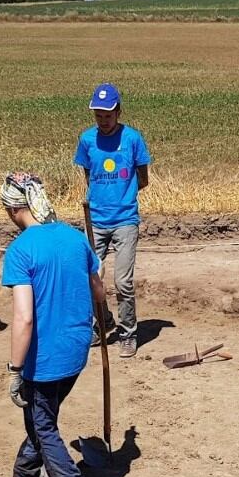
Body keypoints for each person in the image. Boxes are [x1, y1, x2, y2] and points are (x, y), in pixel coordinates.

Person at [0, 172, 102, 477]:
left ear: (14, 209)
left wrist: (14, 369)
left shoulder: (21, 250)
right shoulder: (75, 239)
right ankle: (24, 474)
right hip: (76, 349)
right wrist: (103, 322)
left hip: (45, 358)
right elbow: (98, 289)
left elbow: (24, 318)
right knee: (42, 416)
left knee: (43, 425)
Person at [74, 83, 150, 359]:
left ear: (118, 111)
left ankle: (128, 333)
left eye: (107, 115)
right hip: (95, 220)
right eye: (98, 115)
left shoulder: (132, 139)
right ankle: (101, 323)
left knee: (123, 281)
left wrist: (122, 196)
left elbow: (143, 178)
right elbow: (88, 174)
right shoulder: (86, 140)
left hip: (125, 220)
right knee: (89, 277)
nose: (103, 120)